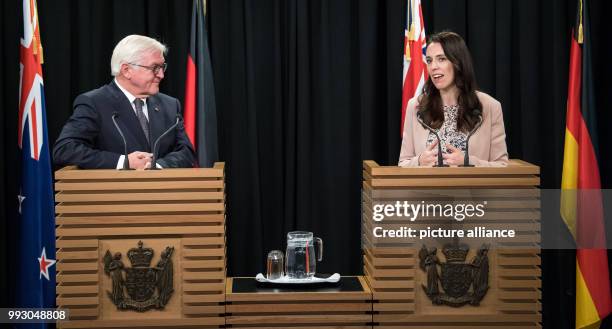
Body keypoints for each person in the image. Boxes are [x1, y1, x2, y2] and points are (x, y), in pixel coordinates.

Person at [53, 35, 195, 169]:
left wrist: (157, 166)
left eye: (162, 67)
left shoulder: (169, 105)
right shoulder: (94, 103)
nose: (161, 75)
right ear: (126, 70)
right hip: (114, 192)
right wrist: (124, 162)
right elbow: (65, 149)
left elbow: (187, 152)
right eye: (154, 68)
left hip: (164, 192)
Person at [399, 31, 508, 167]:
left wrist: (468, 162)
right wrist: (419, 161)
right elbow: (403, 164)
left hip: (472, 188)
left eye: (441, 59)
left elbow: (502, 166)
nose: (433, 67)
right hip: (428, 188)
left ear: (458, 62)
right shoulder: (416, 106)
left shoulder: (490, 106)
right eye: (429, 60)